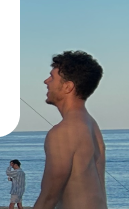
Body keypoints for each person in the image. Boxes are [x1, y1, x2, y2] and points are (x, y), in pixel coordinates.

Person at [33, 50, 107, 209]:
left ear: (68, 87)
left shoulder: (63, 132)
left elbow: (48, 199)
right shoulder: (92, 126)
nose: (46, 81)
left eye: (52, 77)